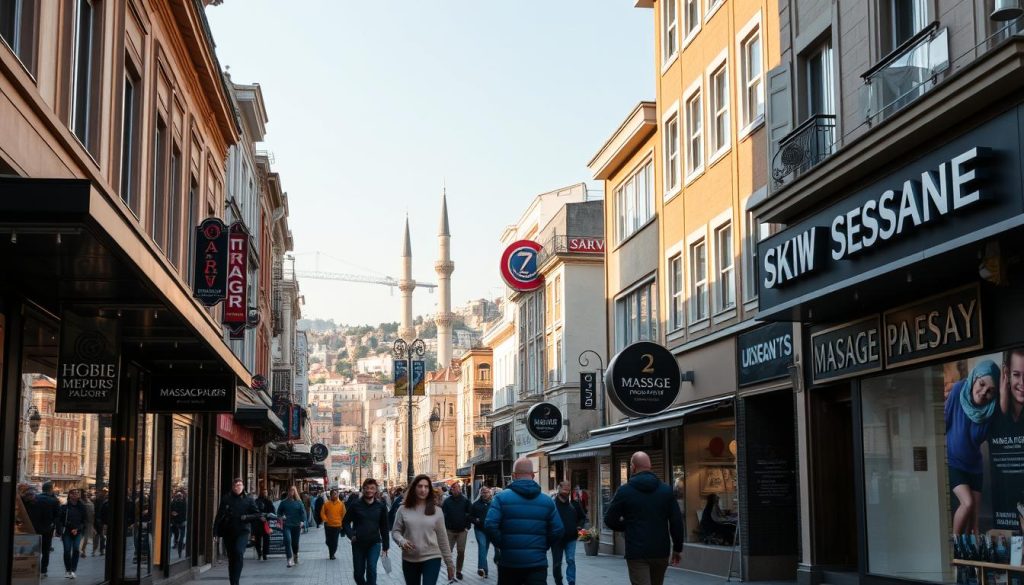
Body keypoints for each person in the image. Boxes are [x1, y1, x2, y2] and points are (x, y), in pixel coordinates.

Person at [604, 452, 684, 585]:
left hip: (637, 552)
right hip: (660, 551)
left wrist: (627, 525)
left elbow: (609, 519)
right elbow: (676, 522)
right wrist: (677, 548)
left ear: (633, 467)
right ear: (650, 466)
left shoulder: (625, 491)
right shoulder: (666, 491)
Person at [484, 457, 564, 585]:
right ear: (533, 475)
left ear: (514, 475)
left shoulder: (501, 498)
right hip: (537, 563)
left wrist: (503, 544)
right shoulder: (547, 501)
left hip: (509, 563)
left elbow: (490, 525)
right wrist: (543, 545)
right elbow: (558, 530)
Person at [945, 359, 1000, 535]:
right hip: (954, 463)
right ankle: (955, 549)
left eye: (990, 391)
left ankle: (969, 561)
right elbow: (943, 424)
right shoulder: (958, 390)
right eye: (982, 384)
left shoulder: (991, 410)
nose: (984, 392)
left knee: (975, 525)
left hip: (975, 467)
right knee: (967, 503)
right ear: (975, 378)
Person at [392, 474, 456, 585]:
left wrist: (449, 564)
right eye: (420, 486)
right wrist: (401, 541)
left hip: (432, 557)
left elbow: (443, 538)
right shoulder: (403, 509)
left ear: (429, 490)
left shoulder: (437, 511)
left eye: (426, 487)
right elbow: (395, 531)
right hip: (409, 558)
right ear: (414, 488)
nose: (423, 490)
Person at [344, 478, 390, 585]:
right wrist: (351, 535)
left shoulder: (381, 507)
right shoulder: (355, 505)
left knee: (371, 568)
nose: (369, 490)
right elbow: (345, 522)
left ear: (375, 490)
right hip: (358, 544)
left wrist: (386, 546)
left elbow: (384, 527)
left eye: (372, 488)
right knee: (358, 574)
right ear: (363, 489)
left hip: (374, 543)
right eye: (367, 488)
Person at [215, 478, 261, 585]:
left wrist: (246, 517)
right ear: (233, 487)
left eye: (240, 485)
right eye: (236, 485)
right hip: (228, 532)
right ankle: (233, 582)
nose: (238, 487)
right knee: (231, 558)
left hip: (243, 532)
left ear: (243, 487)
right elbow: (219, 515)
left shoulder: (249, 499)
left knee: (239, 553)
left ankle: (236, 582)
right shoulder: (226, 498)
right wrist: (215, 532)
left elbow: (257, 514)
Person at [552, 481, 586, 585]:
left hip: (571, 538)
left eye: (568, 490)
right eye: (564, 490)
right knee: (557, 563)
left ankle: (571, 581)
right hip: (557, 539)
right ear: (559, 489)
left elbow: (582, 517)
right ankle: (559, 582)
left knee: (570, 560)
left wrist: (579, 526)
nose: (566, 492)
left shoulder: (574, 504)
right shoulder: (552, 504)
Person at [24, 486, 59, 578]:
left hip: (44, 530)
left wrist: (53, 524)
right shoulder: (27, 502)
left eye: (29, 496)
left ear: (33, 495)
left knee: (44, 551)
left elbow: (57, 514)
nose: (28, 498)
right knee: (40, 551)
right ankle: (39, 570)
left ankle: (43, 570)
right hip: (37, 530)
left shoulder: (47, 502)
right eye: (27, 497)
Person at [441, 481, 472, 580]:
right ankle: (450, 569)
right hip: (449, 530)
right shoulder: (447, 501)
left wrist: (468, 526)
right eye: (455, 487)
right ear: (451, 490)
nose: (457, 489)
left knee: (461, 551)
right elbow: (442, 515)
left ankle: (459, 571)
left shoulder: (465, 500)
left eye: (458, 487)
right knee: (448, 552)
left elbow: (470, 513)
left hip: (462, 530)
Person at [58, 488, 88, 579]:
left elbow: (85, 521)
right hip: (67, 531)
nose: (75, 494)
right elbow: (60, 520)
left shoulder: (82, 507)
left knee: (76, 549)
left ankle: (73, 570)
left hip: (78, 531)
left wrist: (77, 529)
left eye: (77, 493)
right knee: (67, 550)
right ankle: (68, 570)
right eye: (73, 493)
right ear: (70, 495)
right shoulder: (64, 507)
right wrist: (59, 530)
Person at [469, 486, 497, 578]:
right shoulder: (476, 504)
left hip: (491, 530)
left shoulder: (495, 503)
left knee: (486, 550)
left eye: (486, 492)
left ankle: (485, 571)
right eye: (483, 492)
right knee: (482, 546)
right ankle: (481, 568)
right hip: (479, 530)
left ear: (490, 493)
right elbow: (470, 516)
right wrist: (475, 520)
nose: (485, 494)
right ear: (480, 493)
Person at [277, 486, 306, 567]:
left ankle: (295, 555)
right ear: (288, 492)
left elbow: (303, 512)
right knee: (287, 541)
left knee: (295, 543)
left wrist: (302, 521)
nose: (291, 493)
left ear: (295, 492)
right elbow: (279, 512)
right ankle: (289, 559)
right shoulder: (283, 502)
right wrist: (281, 517)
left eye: (293, 491)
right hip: (287, 525)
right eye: (290, 491)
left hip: (296, 525)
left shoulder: (299, 502)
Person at [321, 488, 347, 560]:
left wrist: (342, 523)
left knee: (335, 541)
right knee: (328, 541)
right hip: (328, 525)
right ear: (331, 495)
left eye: (336, 494)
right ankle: (331, 552)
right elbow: (322, 513)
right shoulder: (326, 504)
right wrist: (325, 520)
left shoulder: (341, 504)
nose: (335, 495)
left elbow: (344, 514)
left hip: (337, 525)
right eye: (333, 494)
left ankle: (332, 554)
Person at [253, 489, 275, 561]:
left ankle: (265, 554)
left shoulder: (268, 502)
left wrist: (267, 516)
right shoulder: (256, 501)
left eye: (266, 492)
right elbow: (253, 511)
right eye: (264, 492)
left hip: (266, 523)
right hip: (258, 523)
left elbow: (273, 511)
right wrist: (260, 517)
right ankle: (259, 553)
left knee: (266, 539)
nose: (265, 493)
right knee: (257, 539)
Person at [79, 491, 95, 559]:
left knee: (85, 538)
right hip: (79, 523)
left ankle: (83, 550)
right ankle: (80, 550)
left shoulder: (90, 503)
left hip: (87, 523)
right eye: (84, 495)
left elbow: (92, 513)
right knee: (80, 538)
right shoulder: (78, 503)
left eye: (86, 495)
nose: (85, 496)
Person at [94, 487, 109, 556]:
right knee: (99, 535)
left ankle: (100, 549)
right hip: (100, 520)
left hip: (103, 520)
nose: (105, 493)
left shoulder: (105, 500)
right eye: (104, 491)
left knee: (101, 536)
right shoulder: (98, 500)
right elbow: (96, 510)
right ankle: (97, 549)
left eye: (105, 492)